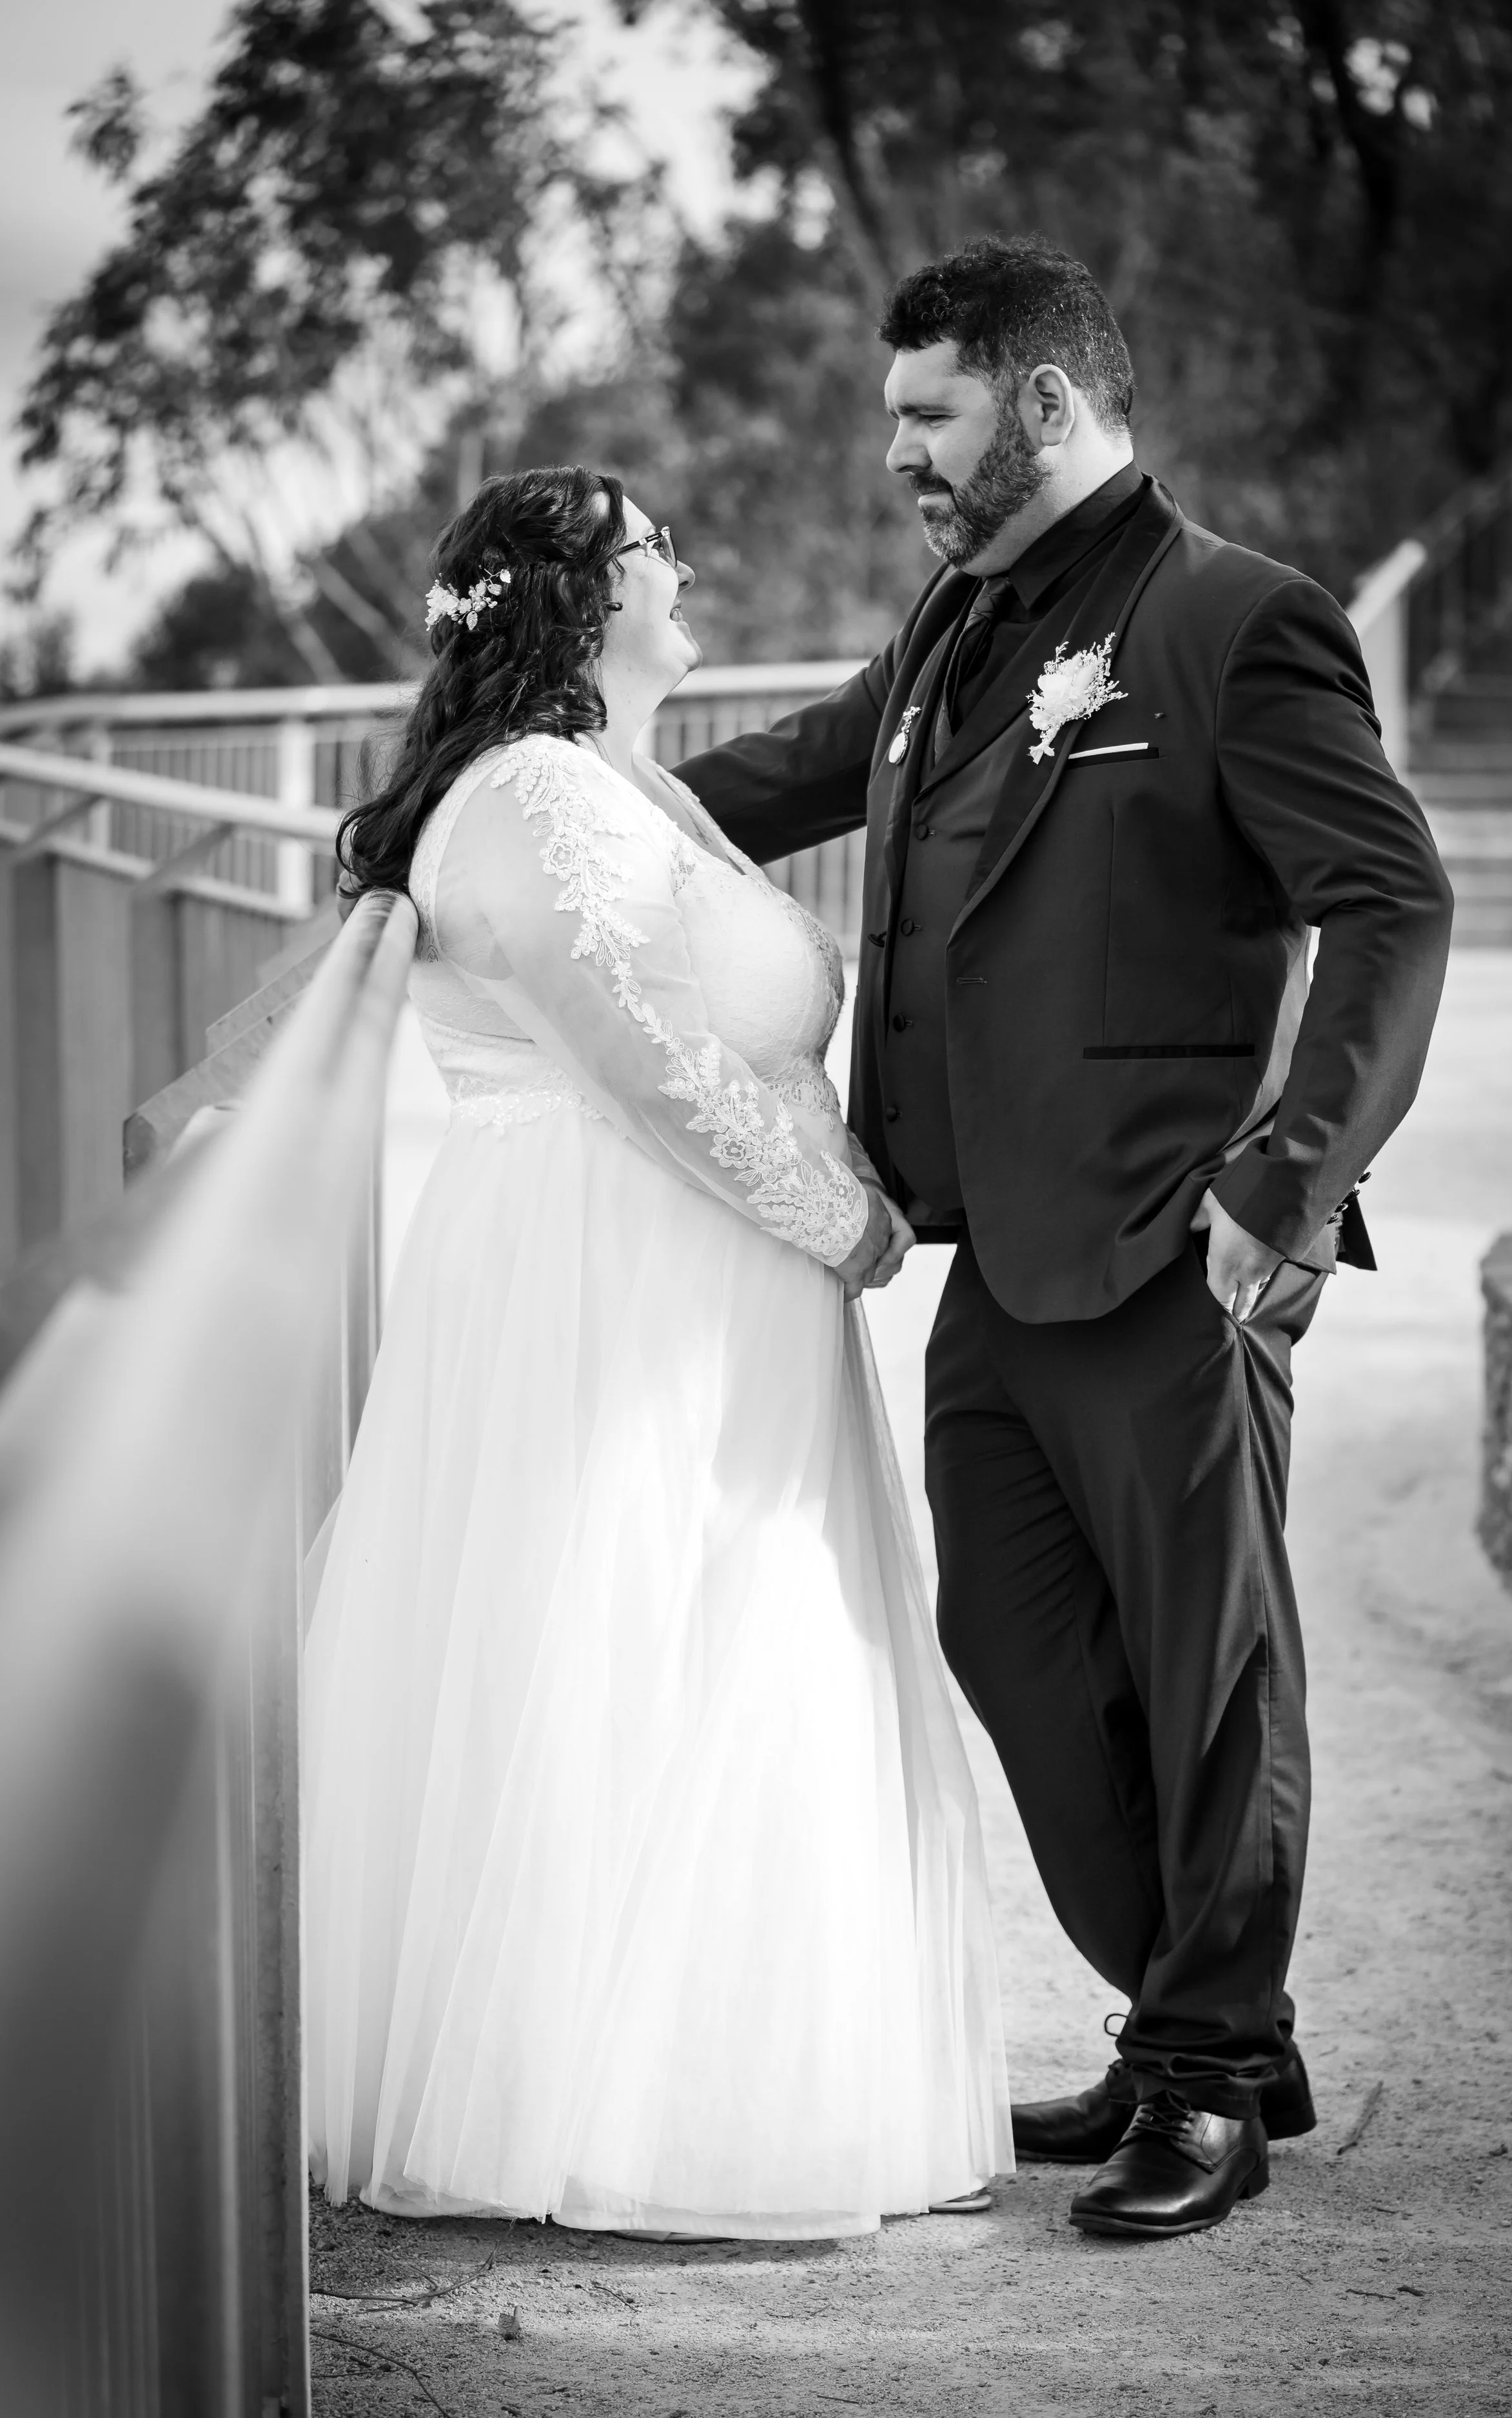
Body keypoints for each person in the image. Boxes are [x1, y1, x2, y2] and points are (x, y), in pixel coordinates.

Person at [678, 237, 1455, 2241]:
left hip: (1168, 1243)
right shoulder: (955, 621)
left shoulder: (1232, 621)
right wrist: (541, 805)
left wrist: (1281, 1181)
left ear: (1038, 398)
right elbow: (797, 772)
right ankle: (1202, 2014)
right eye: (890, 419)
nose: (898, 458)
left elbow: (1389, 903)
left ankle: (1205, 2066)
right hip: (989, 1257)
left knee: (1207, 1669)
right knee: (1013, 1647)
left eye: (926, 413)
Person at [302, 466, 1013, 2238]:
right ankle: (611, 2112)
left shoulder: (609, 784)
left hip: (696, 1280)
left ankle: (713, 2075)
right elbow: (636, 1050)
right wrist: (838, 1214)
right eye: (649, 555)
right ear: (572, 603)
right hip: (621, 1282)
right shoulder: (534, 793)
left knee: (717, 1654)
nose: (683, 569)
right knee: (625, 1651)